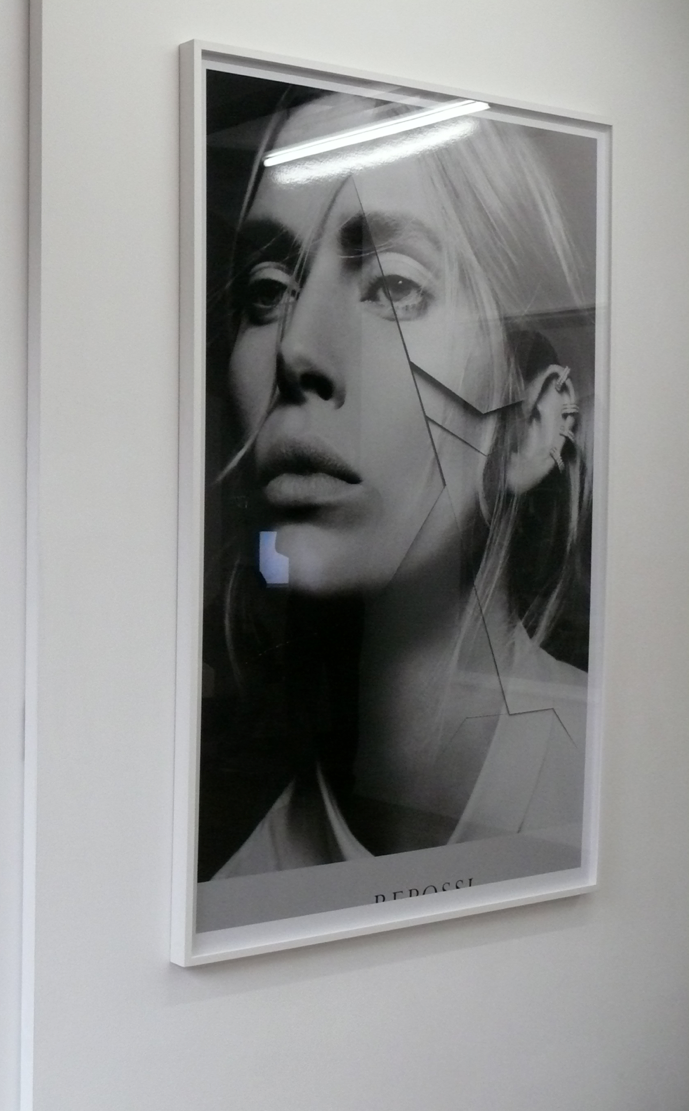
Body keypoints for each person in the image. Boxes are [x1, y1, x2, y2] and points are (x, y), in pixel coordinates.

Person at [200, 92, 594, 880]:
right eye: (266, 290)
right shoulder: (228, 878)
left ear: (532, 425)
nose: (296, 349)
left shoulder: (634, 779)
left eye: (391, 286)